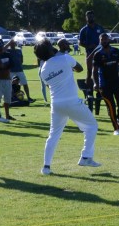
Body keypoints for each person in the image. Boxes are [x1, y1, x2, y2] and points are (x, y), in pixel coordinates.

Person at [34, 39, 101, 175]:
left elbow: (50, 85)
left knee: (53, 135)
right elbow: (80, 68)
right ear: (50, 49)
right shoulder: (65, 58)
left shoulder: (43, 71)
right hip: (71, 102)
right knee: (91, 126)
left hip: (56, 104)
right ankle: (86, 157)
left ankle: (46, 167)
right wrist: (66, 64)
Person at [87, 32, 119, 134]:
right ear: (100, 41)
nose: (104, 41)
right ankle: (116, 128)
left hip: (117, 82)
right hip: (104, 85)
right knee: (111, 106)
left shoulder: (116, 51)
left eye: (105, 39)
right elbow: (94, 70)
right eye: (102, 40)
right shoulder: (98, 54)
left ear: (109, 40)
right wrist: (96, 83)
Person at [5, 38, 32, 102]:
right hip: (11, 70)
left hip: (19, 70)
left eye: (14, 43)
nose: (13, 44)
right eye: (12, 43)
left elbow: (21, 60)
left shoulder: (19, 50)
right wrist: (8, 43)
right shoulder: (7, 51)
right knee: (9, 85)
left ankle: (29, 97)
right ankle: (9, 98)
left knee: (25, 83)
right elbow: (3, 49)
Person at [0, 40, 15, 122]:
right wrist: (2, 66)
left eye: (1, 46)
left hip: (7, 79)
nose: (0, 47)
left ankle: (7, 116)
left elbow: (11, 64)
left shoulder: (7, 55)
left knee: (7, 99)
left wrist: (3, 66)